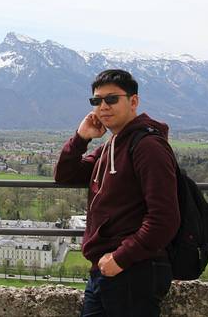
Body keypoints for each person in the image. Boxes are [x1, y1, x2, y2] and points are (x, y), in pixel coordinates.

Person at [54, 69, 180, 317]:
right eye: (96, 100)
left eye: (111, 99)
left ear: (133, 101)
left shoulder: (147, 146)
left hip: (133, 271)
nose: (103, 106)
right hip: (106, 271)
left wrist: (121, 258)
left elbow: (165, 218)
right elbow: (65, 175)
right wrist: (81, 138)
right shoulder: (110, 147)